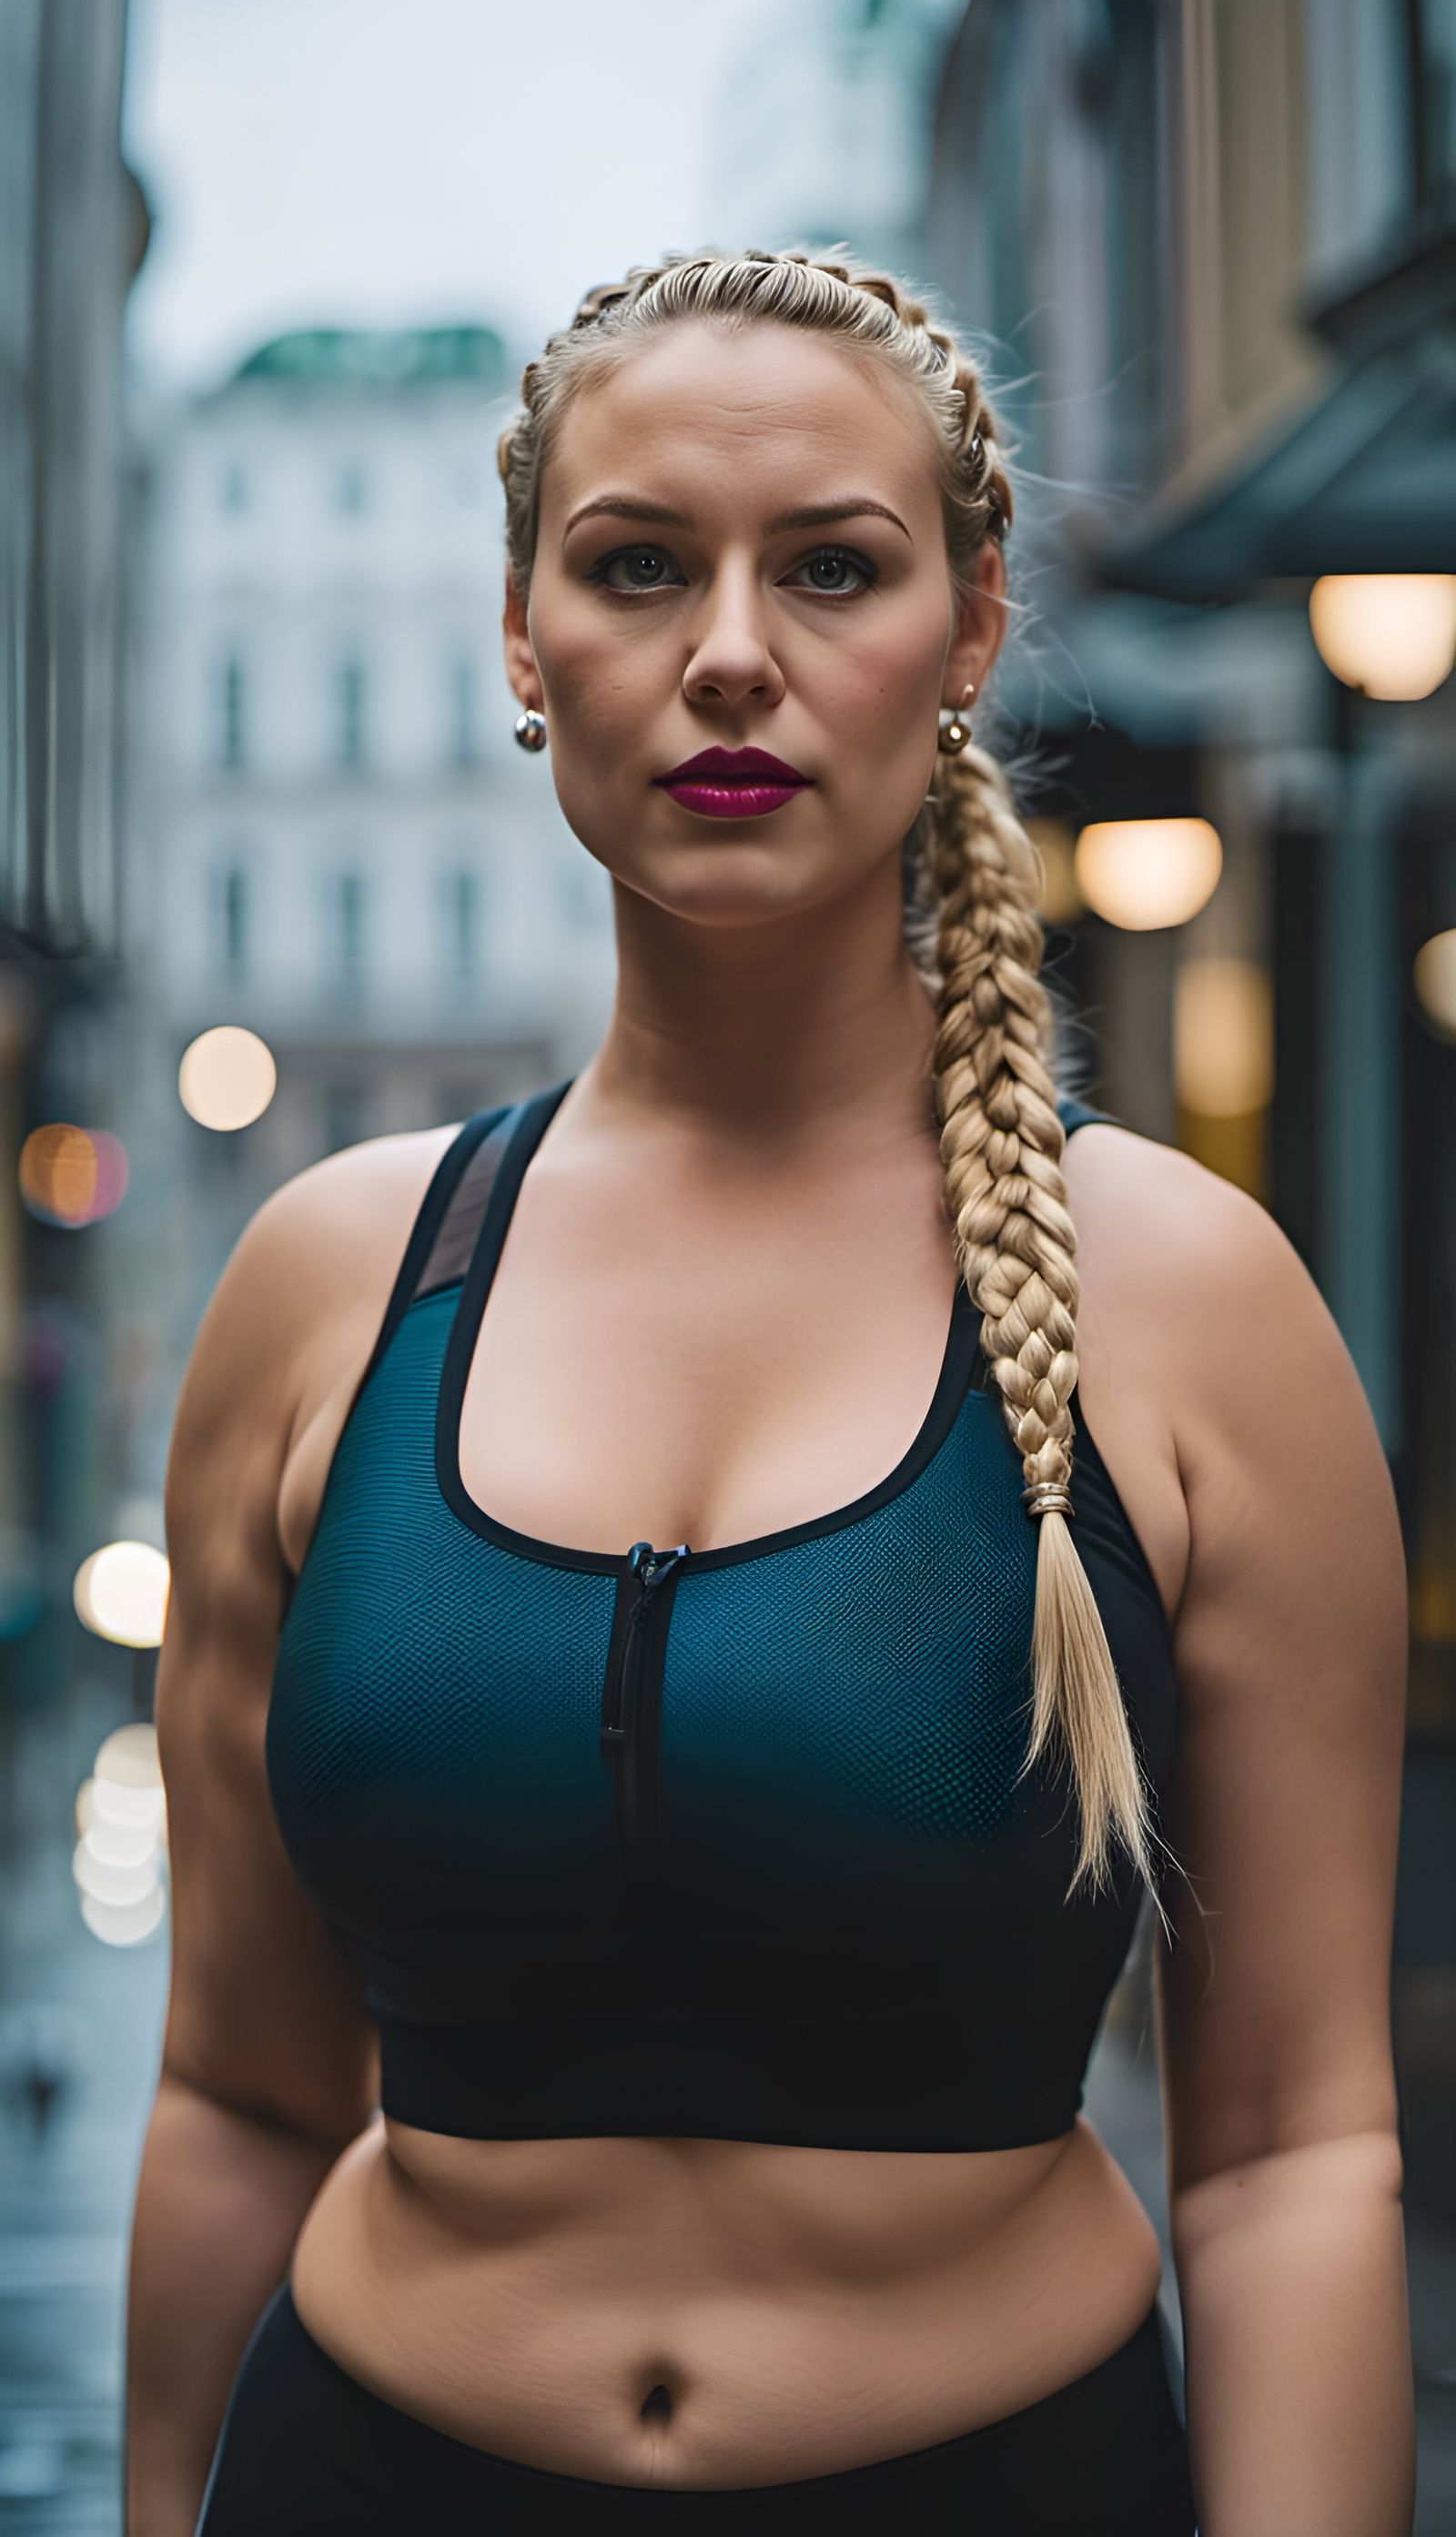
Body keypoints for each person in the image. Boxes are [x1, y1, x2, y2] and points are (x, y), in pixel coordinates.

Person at [124, 248, 1415, 2536]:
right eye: (637, 565)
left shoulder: (1190, 1302)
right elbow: (235, 2093)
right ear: (522, 638)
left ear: (970, 625)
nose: (730, 651)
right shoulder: (334, 1285)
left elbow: (1290, 2148)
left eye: (830, 566)